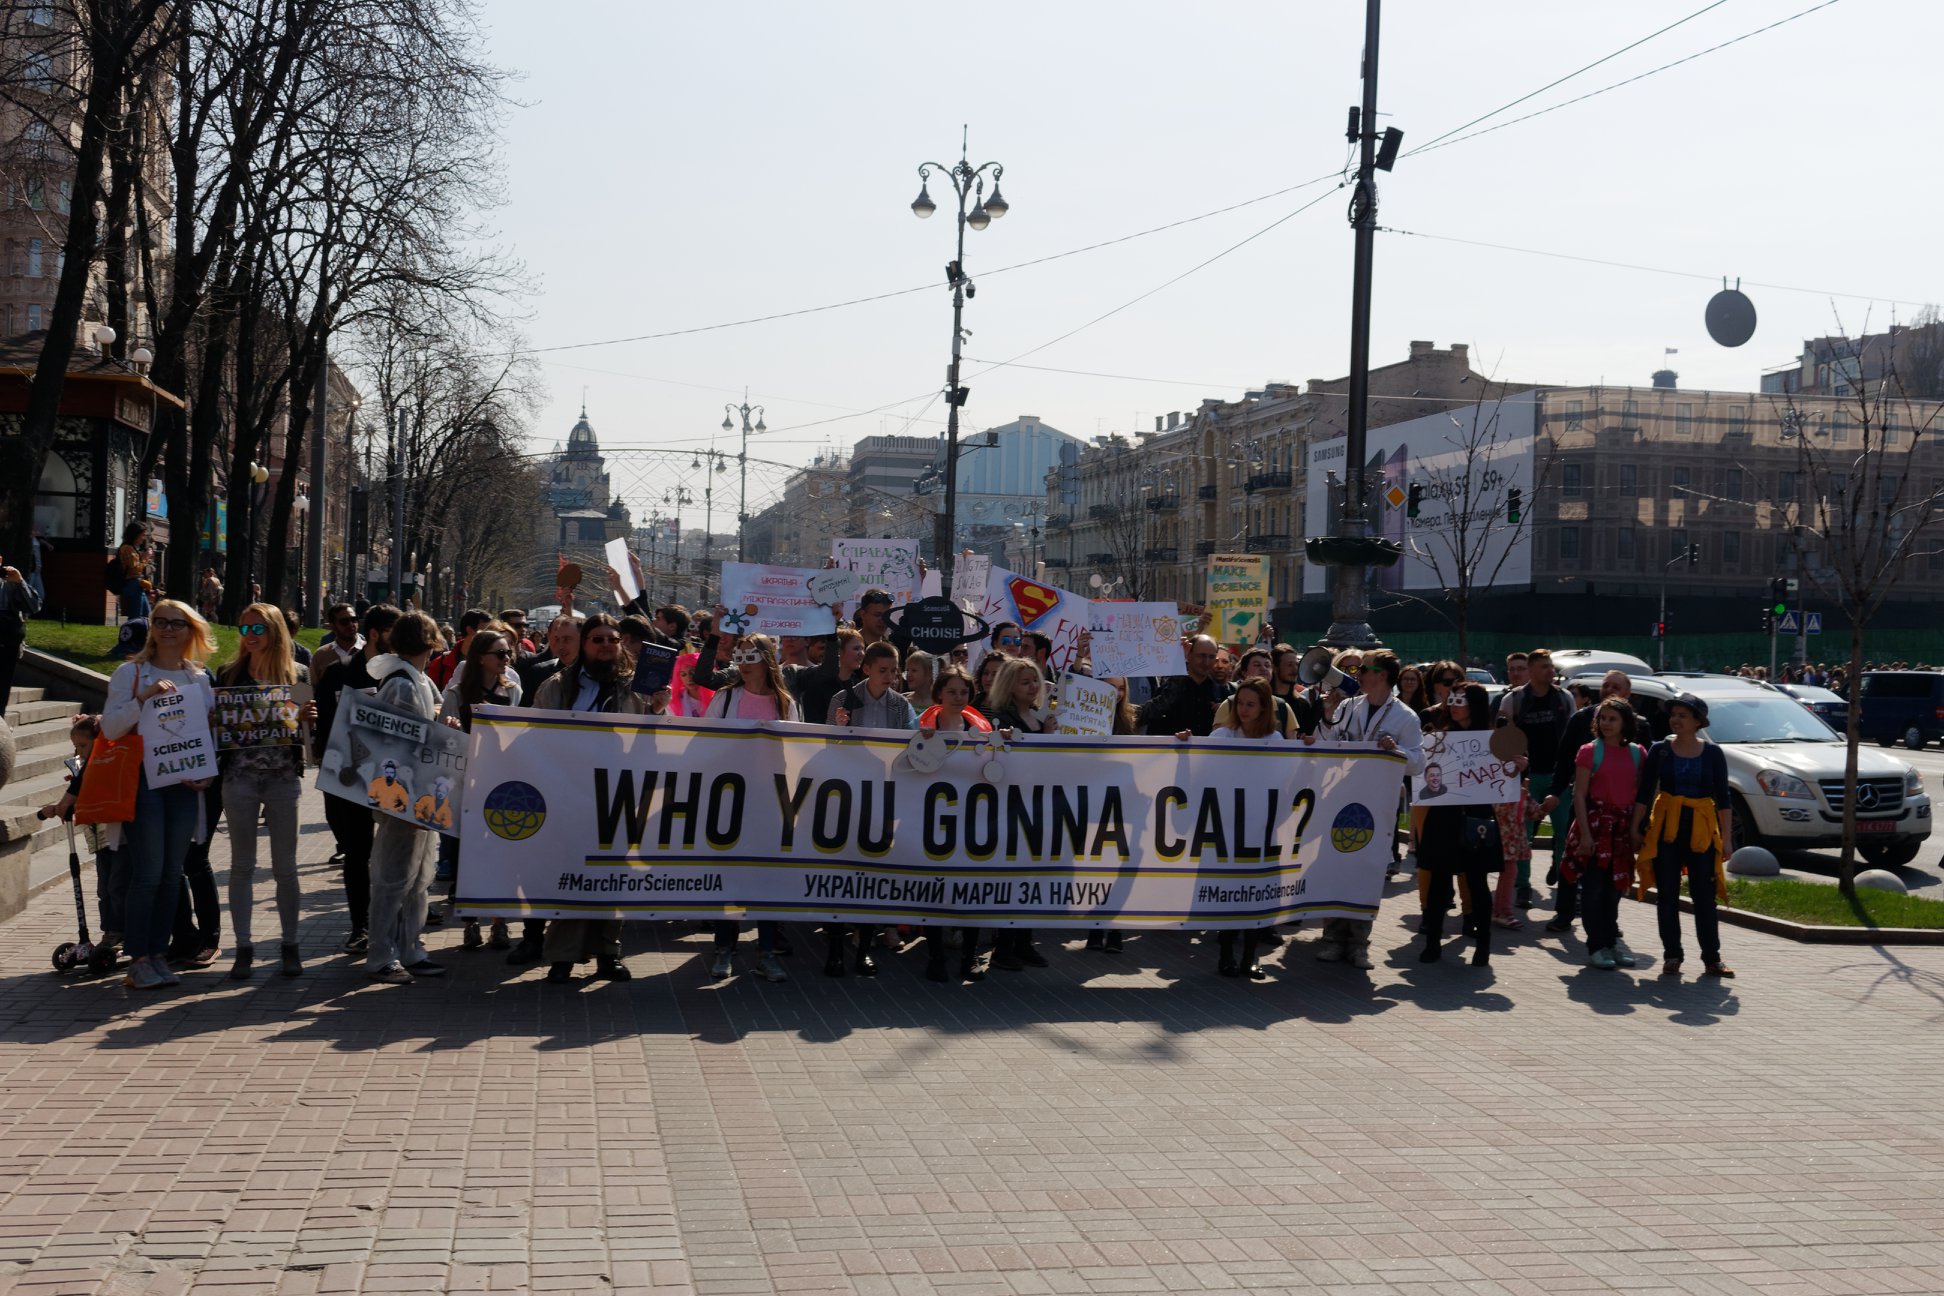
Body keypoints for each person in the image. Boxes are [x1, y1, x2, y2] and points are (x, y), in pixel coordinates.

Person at [102, 599, 218, 990]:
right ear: (151, 627)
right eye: (161, 622)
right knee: (148, 873)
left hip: (183, 785)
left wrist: (204, 772)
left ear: (191, 631)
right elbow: (111, 728)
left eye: (178, 623)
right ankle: (138, 958)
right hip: (143, 783)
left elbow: (206, 736)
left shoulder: (200, 678)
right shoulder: (130, 673)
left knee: (172, 873)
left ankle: (158, 952)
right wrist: (144, 697)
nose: (168, 629)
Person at [531, 614, 645, 984]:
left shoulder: (635, 690)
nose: (607, 646)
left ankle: (608, 954)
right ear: (584, 645)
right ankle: (562, 957)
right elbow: (535, 737)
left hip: (618, 797)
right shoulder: (558, 687)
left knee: (612, 877)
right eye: (598, 639)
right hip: (568, 796)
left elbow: (653, 743)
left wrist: (659, 709)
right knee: (570, 877)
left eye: (613, 639)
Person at [219, 602, 316, 980]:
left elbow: (307, 738)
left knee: (285, 867)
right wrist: (216, 719)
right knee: (242, 865)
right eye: (245, 630)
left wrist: (309, 721)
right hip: (239, 778)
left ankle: (289, 944)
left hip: (282, 778)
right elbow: (218, 728)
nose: (251, 637)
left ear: (275, 632)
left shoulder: (299, 674)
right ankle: (244, 946)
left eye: (258, 629)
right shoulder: (229, 674)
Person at [1313, 650, 1424, 969]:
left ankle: (1360, 942)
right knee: (1335, 865)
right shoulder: (1348, 706)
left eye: (1364, 669)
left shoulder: (1405, 716)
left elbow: (1418, 763)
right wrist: (1327, 715)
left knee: (1367, 869)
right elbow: (1325, 744)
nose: (1357, 673)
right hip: (1339, 798)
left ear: (1382, 675)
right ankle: (1332, 938)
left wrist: (1397, 750)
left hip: (1377, 804)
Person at [819, 641, 919, 977]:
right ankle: (834, 950)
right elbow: (826, 748)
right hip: (847, 796)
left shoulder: (900, 705)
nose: (891, 677)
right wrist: (839, 728)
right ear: (867, 670)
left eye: (894, 671)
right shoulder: (843, 699)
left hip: (883, 796)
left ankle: (863, 949)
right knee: (841, 875)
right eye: (883, 670)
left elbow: (912, 744)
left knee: (874, 876)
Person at [362, 610, 451, 985]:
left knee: (418, 874)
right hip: (406, 791)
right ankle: (382, 953)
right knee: (394, 876)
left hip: (419, 788)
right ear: (430, 642)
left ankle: (409, 947)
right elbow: (398, 737)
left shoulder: (414, 679)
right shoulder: (402, 683)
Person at [699, 634, 794, 983]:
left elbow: (794, 753)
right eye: (739, 654)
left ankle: (766, 951)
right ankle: (725, 947)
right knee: (730, 876)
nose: (743, 660)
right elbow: (705, 745)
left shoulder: (785, 702)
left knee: (766, 878)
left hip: (769, 800)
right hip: (730, 800)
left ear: (766, 659)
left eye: (750, 655)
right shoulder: (725, 699)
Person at [313, 602, 400, 953]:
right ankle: (360, 926)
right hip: (349, 776)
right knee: (357, 852)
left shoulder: (401, 676)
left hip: (395, 777)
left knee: (395, 852)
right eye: (396, 633)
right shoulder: (339, 673)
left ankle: (396, 921)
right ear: (376, 634)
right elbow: (324, 729)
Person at [1632, 693, 1734, 980]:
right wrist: (1635, 828)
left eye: (1682, 715)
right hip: (1666, 830)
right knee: (1667, 896)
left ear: (1698, 722)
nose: (1675, 719)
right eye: (1673, 714)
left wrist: (1726, 840)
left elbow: (1724, 799)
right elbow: (1645, 792)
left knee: (1704, 897)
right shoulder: (1659, 750)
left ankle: (1712, 959)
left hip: (1701, 830)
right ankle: (1672, 955)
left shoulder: (1713, 753)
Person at [438, 623, 522, 952]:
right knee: (466, 856)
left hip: (501, 782)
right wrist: (452, 728)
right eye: (500, 654)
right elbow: (443, 740)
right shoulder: (458, 694)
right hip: (466, 785)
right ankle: (471, 924)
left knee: (501, 852)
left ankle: (499, 924)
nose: (506, 659)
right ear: (480, 658)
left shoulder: (512, 689)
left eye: (508, 653)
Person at [1413, 682, 1496, 967]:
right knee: (1438, 881)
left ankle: (1483, 946)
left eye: (1461, 700)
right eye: (1452, 700)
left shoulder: (1492, 739)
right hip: (1444, 817)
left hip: (1476, 818)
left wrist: (1518, 764)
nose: (1454, 705)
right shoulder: (1439, 737)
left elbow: (1513, 770)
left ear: (1475, 704)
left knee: (1477, 883)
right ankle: (1432, 943)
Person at [1208, 678, 1284, 980]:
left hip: (1262, 828)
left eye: (1251, 704)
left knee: (1257, 892)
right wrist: (1184, 741)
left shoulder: (1276, 740)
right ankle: (1226, 954)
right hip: (1228, 827)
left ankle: (1252, 957)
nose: (1243, 709)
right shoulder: (1222, 735)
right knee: (1230, 892)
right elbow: (1199, 764)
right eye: (1239, 703)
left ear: (1264, 707)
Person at [1570, 698, 1645, 971]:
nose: (1606, 723)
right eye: (1603, 718)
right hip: (1596, 827)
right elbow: (1579, 795)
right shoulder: (1589, 751)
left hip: (1622, 830)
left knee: (1615, 889)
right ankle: (1596, 946)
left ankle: (1612, 943)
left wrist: (1636, 828)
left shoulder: (1638, 753)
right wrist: (1586, 836)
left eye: (1613, 719)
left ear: (1625, 722)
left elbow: (1641, 797)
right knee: (1593, 890)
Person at [1497, 648, 1572, 908]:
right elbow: (1502, 739)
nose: (1550, 671)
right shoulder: (1515, 700)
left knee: (1564, 832)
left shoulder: (1564, 698)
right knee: (1524, 834)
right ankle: (1523, 886)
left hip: (1557, 777)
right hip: (1525, 778)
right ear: (1531, 671)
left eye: (1551, 666)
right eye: (1544, 667)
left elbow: (1571, 738)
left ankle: (1564, 879)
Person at [1140, 635, 1231, 737]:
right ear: (1189, 655)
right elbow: (1151, 716)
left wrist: (1225, 713)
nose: (1206, 662)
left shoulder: (1223, 692)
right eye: (1201, 656)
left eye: (1211, 656)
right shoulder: (1171, 688)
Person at [0, 555, 43, 718]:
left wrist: (20, 582)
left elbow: (34, 606)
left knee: (2, 687)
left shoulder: (9, 582)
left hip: (7, 641)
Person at [516, 613, 580, 696]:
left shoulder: (585, 671)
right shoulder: (533, 667)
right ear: (549, 635)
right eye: (558, 629)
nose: (561, 642)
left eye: (567, 638)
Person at [428, 608, 491, 689]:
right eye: (486, 631)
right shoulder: (439, 664)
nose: (491, 636)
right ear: (470, 630)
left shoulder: (493, 661)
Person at [310, 603, 363, 682]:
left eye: (354, 619)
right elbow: (312, 689)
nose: (351, 624)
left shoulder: (370, 651)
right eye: (344, 621)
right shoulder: (321, 655)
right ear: (332, 626)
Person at [114, 522, 154, 622]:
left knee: (146, 616)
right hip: (132, 585)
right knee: (136, 617)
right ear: (135, 534)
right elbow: (135, 569)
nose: (143, 538)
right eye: (142, 535)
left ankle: (141, 636)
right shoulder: (127, 549)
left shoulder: (132, 548)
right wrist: (145, 558)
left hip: (137, 585)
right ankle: (134, 636)